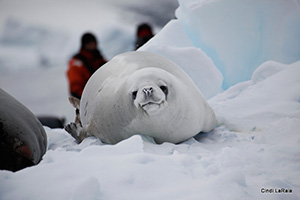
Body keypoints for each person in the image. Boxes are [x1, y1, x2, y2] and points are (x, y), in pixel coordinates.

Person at [67, 32, 107, 99]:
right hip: (87, 101)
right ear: (85, 45)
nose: (93, 45)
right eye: (90, 43)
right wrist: (89, 99)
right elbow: (75, 88)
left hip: (102, 97)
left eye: (94, 42)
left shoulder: (99, 59)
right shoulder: (77, 63)